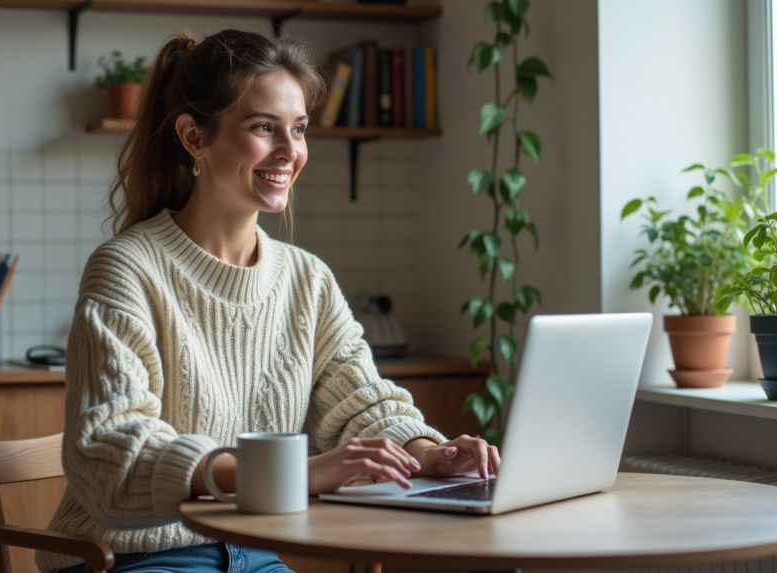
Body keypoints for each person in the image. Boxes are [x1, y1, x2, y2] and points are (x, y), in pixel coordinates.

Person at [38, 29, 500, 573]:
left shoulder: (307, 279)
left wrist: (427, 451)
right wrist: (293, 474)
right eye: (263, 127)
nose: (290, 151)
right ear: (194, 138)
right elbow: (109, 454)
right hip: (133, 555)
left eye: (299, 129)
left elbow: (364, 403)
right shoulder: (128, 268)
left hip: (256, 552)